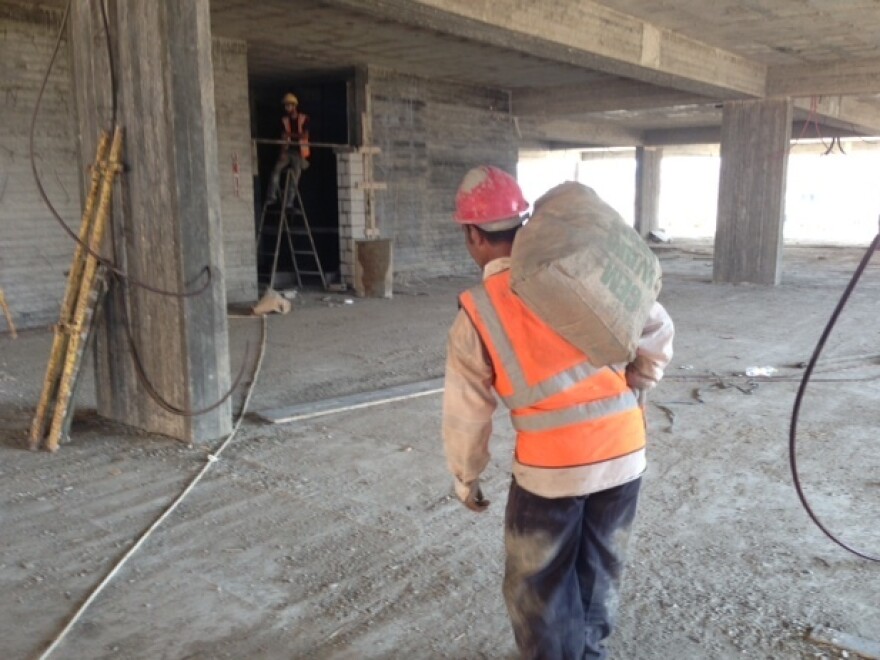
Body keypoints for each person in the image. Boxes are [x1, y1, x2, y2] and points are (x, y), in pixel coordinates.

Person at [442, 165, 674, 659]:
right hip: (625, 454)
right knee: (597, 578)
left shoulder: (480, 311)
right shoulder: (577, 269)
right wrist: (640, 380)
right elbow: (654, 324)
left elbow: (467, 413)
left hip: (552, 471)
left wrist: (467, 477)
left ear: (472, 234)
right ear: (522, 222)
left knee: (541, 597)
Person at [266, 92, 311, 207]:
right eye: (286, 106)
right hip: (287, 151)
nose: (287, 108)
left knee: (294, 179)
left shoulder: (304, 118)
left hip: (299, 153)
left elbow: (305, 136)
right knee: (275, 171)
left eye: (289, 105)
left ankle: (289, 202)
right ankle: (272, 197)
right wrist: (282, 152)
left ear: (294, 106)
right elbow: (283, 137)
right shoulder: (284, 120)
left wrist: (290, 134)